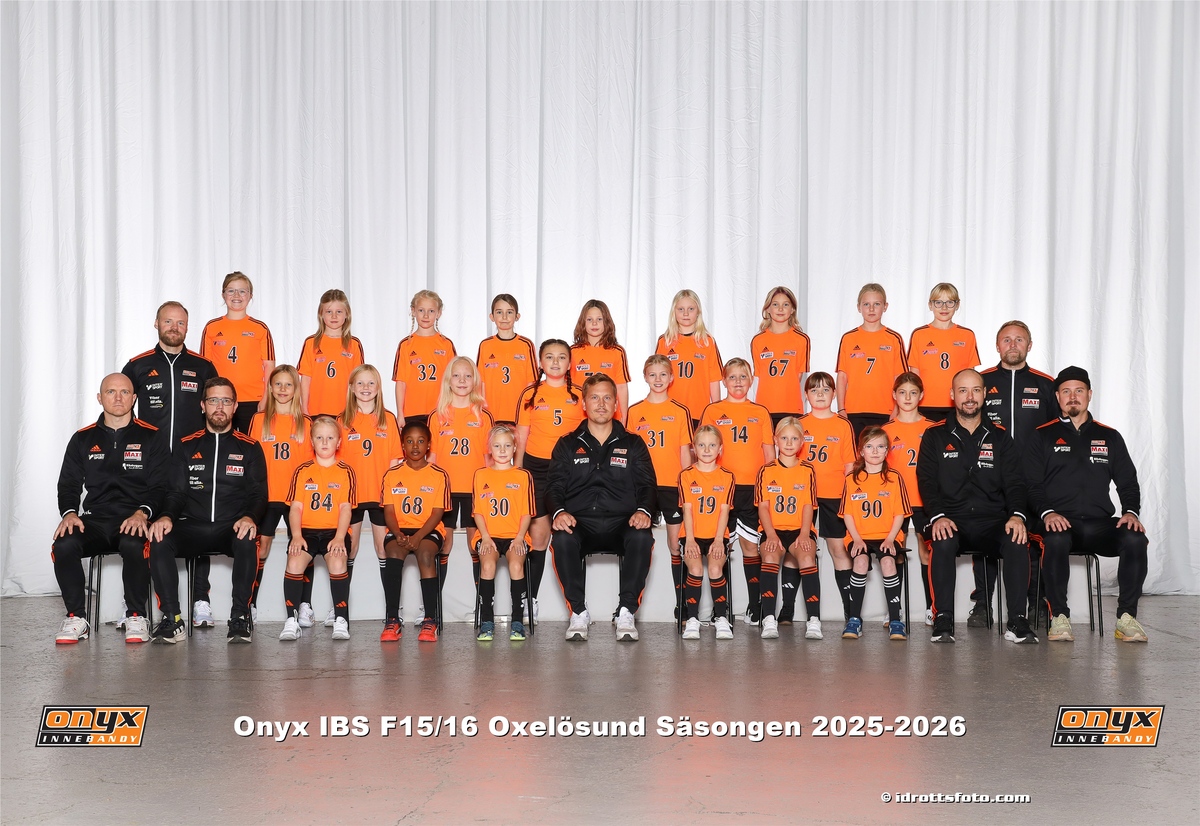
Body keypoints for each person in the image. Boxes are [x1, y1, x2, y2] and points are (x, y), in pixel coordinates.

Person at [1025, 366, 1150, 643]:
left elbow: (1128, 483)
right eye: (1066, 391)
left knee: (1135, 538)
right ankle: (1059, 617)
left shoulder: (1110, 436)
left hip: (1098, 524)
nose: (1073, 396)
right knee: (1056, 538)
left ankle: (1126, 618)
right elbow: (1031, 485)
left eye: (1079, 391)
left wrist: (1131, 512)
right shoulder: (1041, 435)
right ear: (1057, 397)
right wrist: (1048, 513)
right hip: (1058, 522)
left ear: (1089, 395)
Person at [916, 369, 1036, 644]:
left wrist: (1017, 516)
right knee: (942, 541)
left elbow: (1015, 482)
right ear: (952, 395)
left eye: (975, 390)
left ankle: (1017, 620)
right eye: (963, 390)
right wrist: (938, 516)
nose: (969, 397)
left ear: (984, 395)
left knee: (1017, 540)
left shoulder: (1001, 436)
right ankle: (943, 618)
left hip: (992, 520)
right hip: (952, 519)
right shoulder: (934, 435)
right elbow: (926, 482)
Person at [147, 378, 268, 644]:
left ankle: (239, 617)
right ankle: (172, 619)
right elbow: (176, 492)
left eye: (226, 401)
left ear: (235, 406)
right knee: (158, 538)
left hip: (231, 526)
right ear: (203, 405)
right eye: (213, 400)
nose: (219, 407)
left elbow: (259, 494)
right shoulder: (186, 445)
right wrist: (166, 516)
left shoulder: (250, 447)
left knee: (248, 538)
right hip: (193, 524)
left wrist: (249, 517)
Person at [122, 300, 220, 627]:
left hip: (193, 465)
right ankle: (138, 606)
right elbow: (120, 413)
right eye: (168, 321)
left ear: (187, 327)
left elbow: (217, 413)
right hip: (149, 467)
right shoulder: (137, 366)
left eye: (180, 323)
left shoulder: (203, 367)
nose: (174, 327)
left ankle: (201, 600)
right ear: (156, 323)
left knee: (199, 527)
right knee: (143, 532)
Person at [52, 374, 167, 644]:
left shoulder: (152, 436)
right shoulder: (82, 438)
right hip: (94, 520)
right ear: (99, 398)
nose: (118, 398)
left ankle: (136, 615)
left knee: (134, 543)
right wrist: (70, 513)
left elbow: (161, 485)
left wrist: (142, 513)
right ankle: (76, 618)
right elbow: (68, 484)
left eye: (125, 392)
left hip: (134, 518)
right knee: (64, 544)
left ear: (134, 398)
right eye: (111, 392)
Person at [546, 374, 656, 642]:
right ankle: (578, 612)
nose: (601, 403)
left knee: (642, 537)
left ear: (616, 403)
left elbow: (648, 486)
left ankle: (626, 612)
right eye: (594, 397)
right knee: (561, 538)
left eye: (607, 397)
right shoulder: (567, 443)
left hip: (622, 523)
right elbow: (553, 486)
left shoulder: (633, 442)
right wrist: (559, 512)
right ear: (584, 404)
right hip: (580, 523)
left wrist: (643, 510)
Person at [978, 320, 1057, 625]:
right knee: (986, 540)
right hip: (988, 478)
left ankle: (1036, 603)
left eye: (1019, 340)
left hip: (1033, 481)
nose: (1013, 345)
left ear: (1030, 345)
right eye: (1007, 340)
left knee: (1033, 541)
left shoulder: (1046, 384)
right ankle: (982, 604)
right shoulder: (981, 381)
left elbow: (1057, 433)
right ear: (997, 346)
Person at [700, 358, 775, 625]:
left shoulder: (760, 412)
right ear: (724, 381)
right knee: (720, 547)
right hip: (722, 489)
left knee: (750, 546)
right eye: (732, 377)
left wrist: (767, 487)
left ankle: (755, 606)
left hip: (752, 488)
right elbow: (704, 448)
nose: (738, 382)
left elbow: (769, 454)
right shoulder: (713, 410)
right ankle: (721, 609)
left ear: (751, 380)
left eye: (743, 377)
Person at [515, 339, 585, 623]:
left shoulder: (579, 394)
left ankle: (578, 607)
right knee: (540, 537)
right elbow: (521, 437)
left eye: (561, 357)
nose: (555, 362)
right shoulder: (530, 393)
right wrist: (518, 473)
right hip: (536, 470)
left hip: (570, 470)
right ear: (540, 363)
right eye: (549, 357)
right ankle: (530, 599)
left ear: (570, 363)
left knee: (572, 536)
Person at [279, 416, 357, 641]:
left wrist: (340, 537)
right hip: (307, 532)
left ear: (338, 442)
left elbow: (345, 509)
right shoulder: (302, 471)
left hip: (334, 531)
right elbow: (295, 508)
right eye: (320, 437)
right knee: (294, 560)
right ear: (312, 441)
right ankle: (291, 620)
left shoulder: (345, 471)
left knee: (338, 560)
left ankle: (341, 619)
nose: (324, 442)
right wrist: (296, 536)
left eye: (330, 438)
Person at [626, 355, 694, 614]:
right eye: (652, 374)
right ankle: (627, 605)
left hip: (672, 486)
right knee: (636, 542)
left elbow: (685, 452)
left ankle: (683, 603)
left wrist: (686, 486)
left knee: (676, 545)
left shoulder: (680, 411)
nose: (658, 379)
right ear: (645, 377)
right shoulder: (635, 411)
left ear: (671, 377)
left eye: (663, 374)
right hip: (642, 487)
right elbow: (628, 452)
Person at [338, 365, 403, 628]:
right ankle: (339, 610)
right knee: (348, 549)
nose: (366, 388)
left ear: (378, 388)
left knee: (383, 548)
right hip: (351, 497)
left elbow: (395, 461)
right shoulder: (342, 420)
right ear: (351, 388)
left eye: (371, 383)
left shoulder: (388, 419)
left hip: (380, 496)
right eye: (360, 383)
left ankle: (391, 611)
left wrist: (391, 496)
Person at [247, 365, 313, 622]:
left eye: (288, 384)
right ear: (270, 388)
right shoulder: (259, 420)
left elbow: (312, 466)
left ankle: (304, 605)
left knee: (300, 548)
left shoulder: (306, 423)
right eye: (278, 384)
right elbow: (250, 461)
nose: (283, 389)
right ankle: (250, 605)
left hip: (296, 499)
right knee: (261, 548)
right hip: (267, 496)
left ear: (296, 389)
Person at [379, 422, 451, 642]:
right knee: (393, 553)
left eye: (421, 441)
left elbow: (437, 513)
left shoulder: (439, 474)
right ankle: (392, 619)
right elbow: (389, 511)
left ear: (428, 445)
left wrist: (418, 537)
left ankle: (430, 619)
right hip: (399, 529)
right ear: (402, 445)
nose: (415, 446)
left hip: (428, 530)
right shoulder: (392, 474)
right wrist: (397, 533)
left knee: (426, 554)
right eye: (409, 441)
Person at [429, 357, 494, 603]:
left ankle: (483, 602)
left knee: (476, 545)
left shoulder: (483, 415)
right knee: (443, 545)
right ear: (448, 380)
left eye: (468, 376)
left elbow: (489, 459)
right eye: (456, 375)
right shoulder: (437, 416)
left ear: (475, 380)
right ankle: (432, 604)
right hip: (445, 491)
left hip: (475, 490)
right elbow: (432, 460)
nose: (462, 380)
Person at [839, 426, 913, 641]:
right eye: (869, 446)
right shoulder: (852, 479)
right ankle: (854, 620)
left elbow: (900, 513)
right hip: (859, 535)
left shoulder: (894, 477)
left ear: (887, 450)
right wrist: (857, 539)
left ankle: (895, 620)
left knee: (889, 562)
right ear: (861, 451)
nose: (874, 451)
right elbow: (847, 514)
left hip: (888, 535)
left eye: (880, 446)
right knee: (860, 561)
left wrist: (890, 538)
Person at [797, 373, 857, 625]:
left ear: (834, 394)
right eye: (814, 390)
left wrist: (849, 496)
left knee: (838, 549)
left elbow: (850, 465)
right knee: (799, 548)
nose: (820, 394)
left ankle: (850, 612)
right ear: (806, 395)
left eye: (825, 389)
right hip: (803, 497)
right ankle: (789, 611)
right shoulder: (799, 423)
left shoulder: (843, 425)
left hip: (834, 495)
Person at [755, 417, 820, 640]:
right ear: (775, 440)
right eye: (784, 438)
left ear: (802, 442)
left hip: (799, 529)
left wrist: (804, 534)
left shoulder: (808, 470)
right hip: (773, 529)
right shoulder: (766, 470)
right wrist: (771, 534)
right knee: (770, 555)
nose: (789, 443)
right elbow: (763, 507)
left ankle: (814, 620)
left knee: (807, 557)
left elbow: (808, 505)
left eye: (794, 438)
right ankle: (769, 619)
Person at [882, 372, 937, 625]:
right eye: (902, 393)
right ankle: (895, 610)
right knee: (895, 552)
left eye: (913, 393)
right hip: (896, 502)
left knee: (928, 552)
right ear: (894, 395)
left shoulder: (933, 428)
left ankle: (931, 608)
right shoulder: (886, 430)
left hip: (925, 499)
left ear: (921, 395)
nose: (907, 398)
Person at [472, 425, 535, 641]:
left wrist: (519, 537)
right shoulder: (480, 474)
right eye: (497, 446)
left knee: (516, 565)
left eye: (507, 445)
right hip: (487, 535)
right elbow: (478, 512)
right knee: (488, 565)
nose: (502, 450)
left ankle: (517, 622)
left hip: (515, 535)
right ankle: (487, 622)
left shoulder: (523, 476)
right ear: (489, 449)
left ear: (515, 448)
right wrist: (485, 537)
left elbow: (527, 512)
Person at [677, 426, 736, 640]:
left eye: (712, 445)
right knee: (694, 567)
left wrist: (719, 540)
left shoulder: (727, 476)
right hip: (691, 534)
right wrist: (690, 540)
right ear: (694, 448)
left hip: (717, 535)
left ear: (720, 449)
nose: (707, 449)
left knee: (714, 568)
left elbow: (724, 511)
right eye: (701, 445)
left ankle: (720, 618)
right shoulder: (686, 475)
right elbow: (687, 510)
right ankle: (692, 619)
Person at [199, 272, 276, 434]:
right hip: (221, 398)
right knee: (222, 443)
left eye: (242, 291)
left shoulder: (260, 328)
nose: (236, 295)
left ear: (250, 295)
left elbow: (269, 366)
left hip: (253, 399)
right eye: (231, 290)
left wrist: (266, 398)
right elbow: (204, 367)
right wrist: (208, 399)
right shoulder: (212, 327)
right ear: (223, 294)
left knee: (251, 443)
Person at [836, 283, 908, 439]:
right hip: (854, 410)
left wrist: (897, 408)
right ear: (858, 307)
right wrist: (841, 409)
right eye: (866, 304)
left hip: (885, 410)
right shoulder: (848, 338)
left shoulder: (894, 338)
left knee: (883, 452)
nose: (871, 309)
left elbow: (900, 378)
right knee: (857, 453)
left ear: (885, 306)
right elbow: (842, 377)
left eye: (877, 304)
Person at [906, 283, 979, 422]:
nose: (944, 308)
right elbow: (914, 376)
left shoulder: (967, 335)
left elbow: (970, 375)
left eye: (950, 302)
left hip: (957, 405)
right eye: (938, 302)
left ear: (957, 305)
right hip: (925, 404)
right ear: (930, 305)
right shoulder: (919, 334)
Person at [655, 289, 724, 427]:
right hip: (670, 413)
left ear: (698, 312)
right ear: (674, 312)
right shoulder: (665, 341)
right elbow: (657, 378)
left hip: (699, 411)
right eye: (681, 309)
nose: (685, 313)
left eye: (691, 309)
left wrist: (715, 411)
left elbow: (714, 379)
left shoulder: (707, 341)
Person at [392, 290, 456, 428]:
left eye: (431, 311)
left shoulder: (446, 344)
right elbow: (401, 382)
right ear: (413, 311)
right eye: (421, 310)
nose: (426, 315)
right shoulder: (406, 345)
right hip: (412, 413)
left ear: (438, 313)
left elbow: (453, 381)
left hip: (440, 412)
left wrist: (453, 409)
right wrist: (400, 414)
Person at [750, 286, 812, 426]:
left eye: (786, 305)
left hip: (791, 407)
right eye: (775, 304)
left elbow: (798, 376)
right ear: (768, 309)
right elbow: (759, 376)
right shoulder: (758, 341)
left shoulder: (802, 340)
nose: (780, 309)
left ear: (793, 309)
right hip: (764, 408)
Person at [297, 289, 365, 416]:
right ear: (321, 314)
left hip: (345, 412)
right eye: (329, 312)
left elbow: (359, 380)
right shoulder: (311, 343)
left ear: (347, 314)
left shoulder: (354, 344)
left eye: (339, 311)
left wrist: (357, 408)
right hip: (316, 411)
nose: (334, 316)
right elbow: (305, 379)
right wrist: (304, 409)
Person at [476, 294, 537, 426]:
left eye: (509, 312)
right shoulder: (485, 345)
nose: (504, 317)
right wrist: (483, 409)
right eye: (499, 312)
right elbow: (480, 382)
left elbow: (532, 383)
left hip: (519, 415)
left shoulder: (526, 344)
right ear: (492, 317)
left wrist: (527, 410)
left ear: (517, 316)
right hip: (492, 413)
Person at [570, 299, 631, 423]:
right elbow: (566, 386)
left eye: (599, 319)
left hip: (608, 416)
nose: (594, 323)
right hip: (579, 417)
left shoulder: (617, 351)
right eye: (589, 319)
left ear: (607, 322)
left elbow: (621, 387)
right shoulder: (572, 352)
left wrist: (624, 417)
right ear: (583, 322)